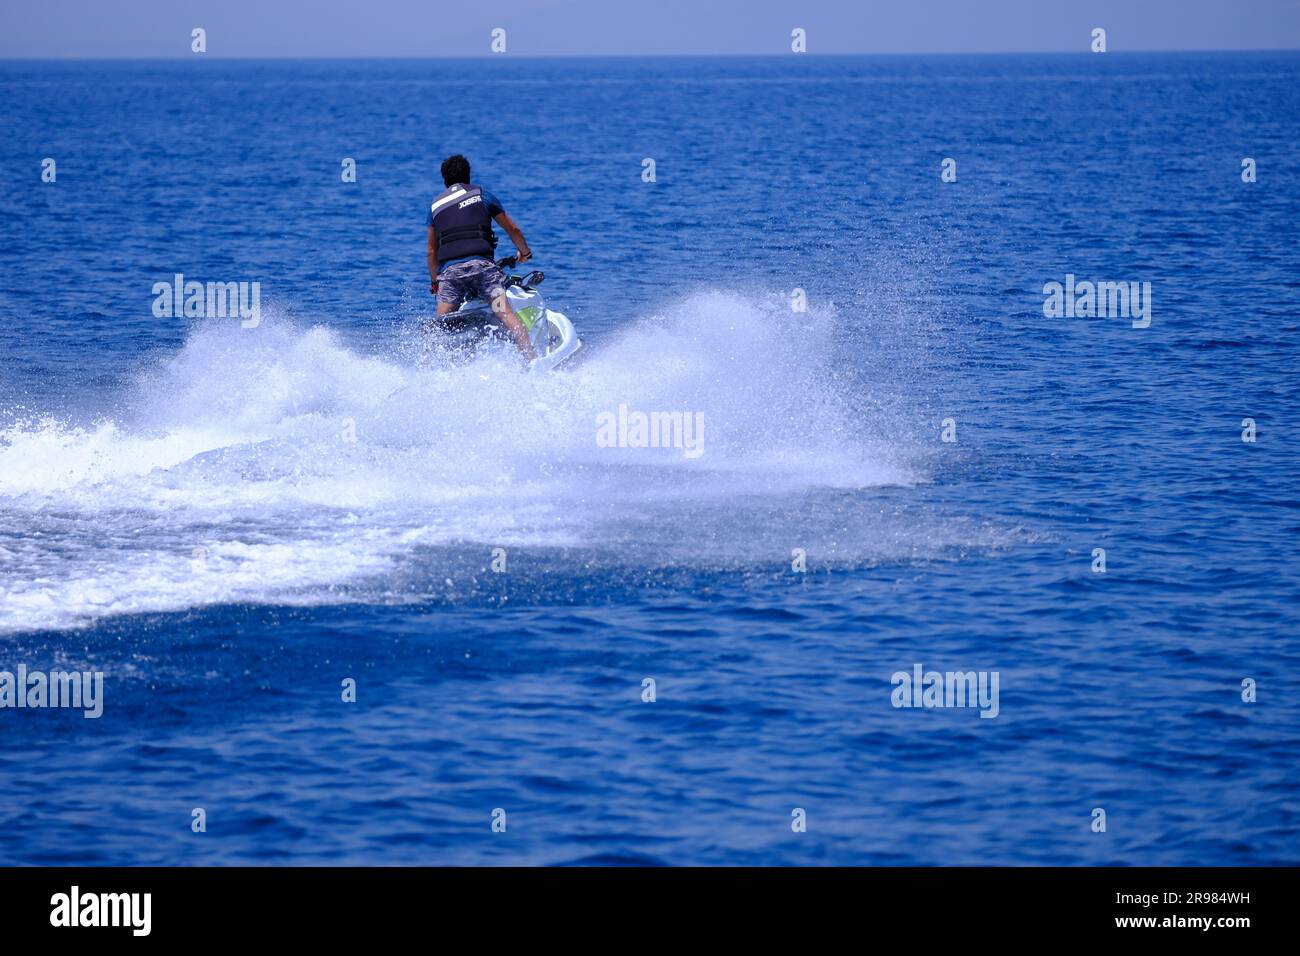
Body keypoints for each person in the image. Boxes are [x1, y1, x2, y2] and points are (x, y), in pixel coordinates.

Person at [426, 154, 535, 361]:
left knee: (439, 326)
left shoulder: (435, 207)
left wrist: (434, 282)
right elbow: (513, 229)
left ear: (445, 180)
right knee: (506, 315)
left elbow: (431, 252)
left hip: (451, 276)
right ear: (468, 176)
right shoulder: (482, 195)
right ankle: (531, 360)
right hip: (483, 271)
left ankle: (424, 367)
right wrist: (525, 253)